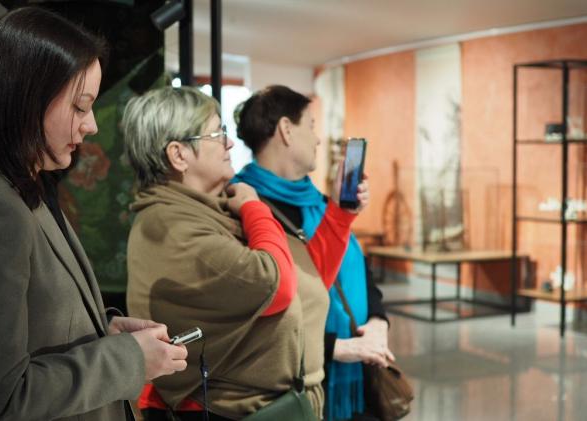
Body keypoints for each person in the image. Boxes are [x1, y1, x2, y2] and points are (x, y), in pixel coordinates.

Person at [0, 7, 186, 421]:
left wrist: (105, 331)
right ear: (25, 100)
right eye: (80, 107)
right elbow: (4, 400)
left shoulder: (24, 192)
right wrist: (128, 358)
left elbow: (39, 325)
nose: (91, 125)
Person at [123, 86, 361, 420]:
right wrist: (253, 207)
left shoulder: (215, 205)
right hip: (233, 412)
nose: (229, 143)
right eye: (216, 133)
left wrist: (339, 213)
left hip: (275, 404)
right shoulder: (173, 225)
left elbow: (306, 276)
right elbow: (276, 285)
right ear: (179, 155)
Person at [233, 85, 395, 421]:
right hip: (298, 383)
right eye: (310, 125)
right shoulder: (243, 206)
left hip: (358, 375)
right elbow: (267, 305)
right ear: (286, 130)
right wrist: (337, 347)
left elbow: (355, 268)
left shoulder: (322, 202)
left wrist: (378, 322)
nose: (318, 139)